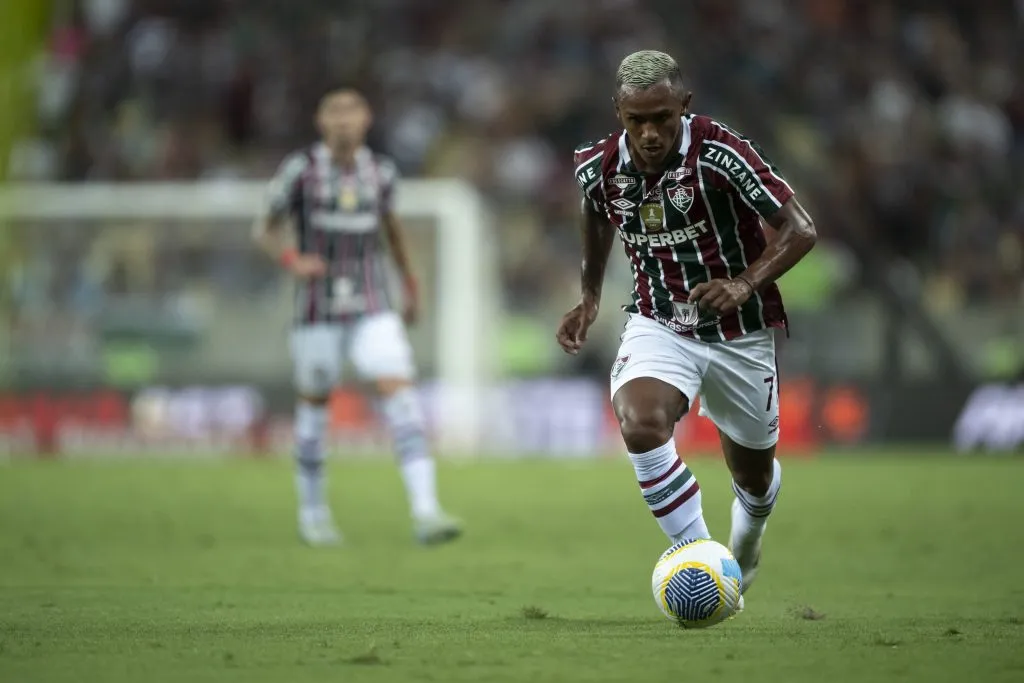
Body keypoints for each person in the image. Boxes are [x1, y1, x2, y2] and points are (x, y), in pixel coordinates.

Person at [556, 51, 816, 593]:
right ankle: (700, 558)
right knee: (640, 422)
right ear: (618, 112)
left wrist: (744, 283)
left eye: (662, 118)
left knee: (754, 478)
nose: (649, 133)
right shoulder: (596, 165)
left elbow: (800, 229)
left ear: (684, 106)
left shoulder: (722, 153)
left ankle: (746, 543)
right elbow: (594, 208)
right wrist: (589, 295)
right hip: (659, 321)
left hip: (739, 332)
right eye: (636, 120)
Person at [253, 87, 461, 546]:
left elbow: (393, 230)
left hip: (372, 304)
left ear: (366, 119)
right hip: (317, 309)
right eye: (335, 112)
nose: (344, 120)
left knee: (400, 394)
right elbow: (264, 228)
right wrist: (292, 259)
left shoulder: (381, 173)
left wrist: (410, 282)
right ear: (320, 120)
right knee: (314, 407)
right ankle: (313, 516)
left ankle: (426, 511)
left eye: (352, 112)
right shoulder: (300, 171)